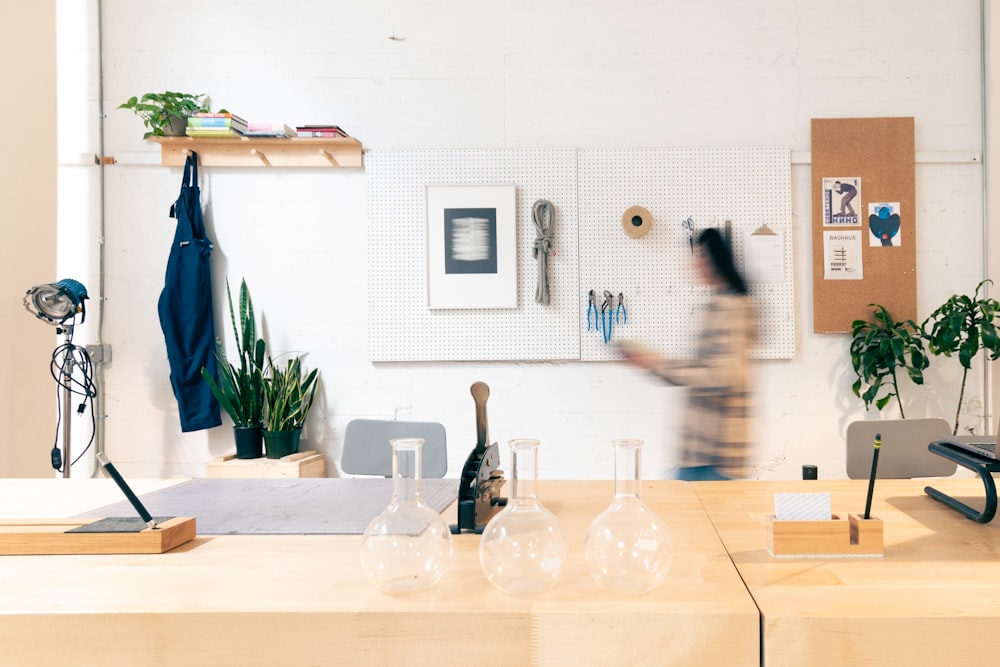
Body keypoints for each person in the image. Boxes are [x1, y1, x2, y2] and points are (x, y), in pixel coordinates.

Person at [618, 228, 755, 480]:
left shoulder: (733, 309)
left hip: (716, 451)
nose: (695, 264)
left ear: (715, 260)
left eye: (700, 256)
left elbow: (725, 374)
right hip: (700, 447)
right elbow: (701, 368)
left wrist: (659, 366)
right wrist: (652, 364)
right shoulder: (717, 306)